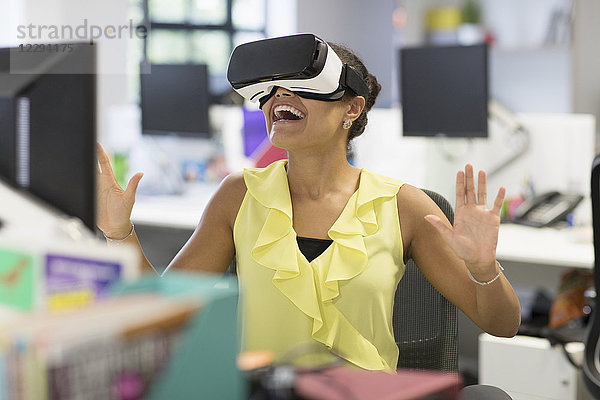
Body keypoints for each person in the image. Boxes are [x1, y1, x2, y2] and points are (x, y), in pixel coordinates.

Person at [96, 36, 520, 372]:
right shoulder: (237, 196)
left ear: (352, 109)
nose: (279, 96)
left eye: (302, 87)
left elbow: (502, 325)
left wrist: (483, 269)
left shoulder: (404, 206)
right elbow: (165, 311)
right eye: (271, 90)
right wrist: (119, 233)